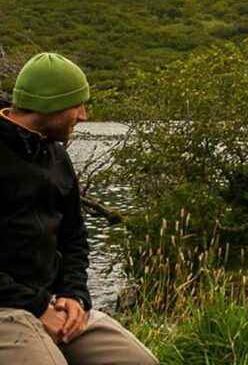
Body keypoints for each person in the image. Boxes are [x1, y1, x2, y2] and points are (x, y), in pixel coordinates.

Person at [0, 53, 157, 364]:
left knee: (138, 360)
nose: (83, 115)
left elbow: (74, 237)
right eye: (76, 105)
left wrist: (74, 295)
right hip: (6, 307)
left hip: (51, 303)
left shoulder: (56, 156)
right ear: (50, 105)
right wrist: (36, 306)